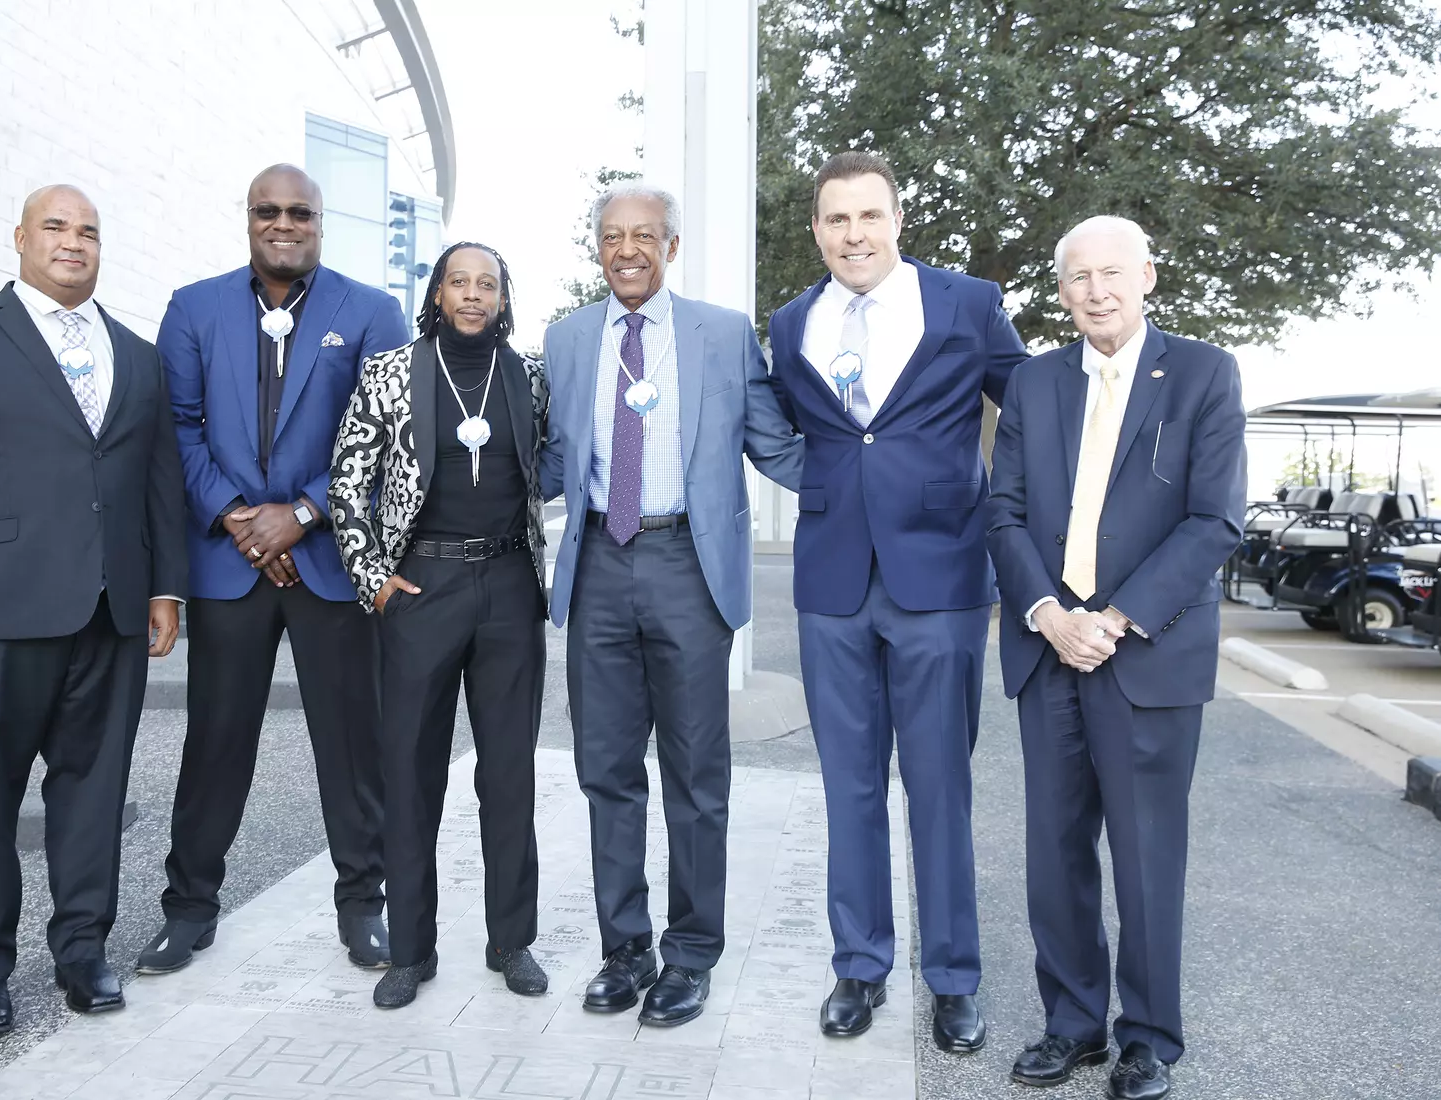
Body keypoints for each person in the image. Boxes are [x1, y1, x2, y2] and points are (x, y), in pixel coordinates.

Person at [0, 184, 187, 1037]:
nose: (73, 242)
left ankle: (82, 951)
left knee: (94, 792)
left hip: (112, 612)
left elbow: (157, 479)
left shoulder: (138, 354)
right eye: (56, 226)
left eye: (89, 230)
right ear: (20, 237)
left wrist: (165, 587)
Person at [764, 151, 1027, 1046]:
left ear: (897, 219)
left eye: (869, 216)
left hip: (943, 580)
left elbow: (1031, 415)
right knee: (849, 790)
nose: (854, 234)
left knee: (940, 788)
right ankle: (859, 967)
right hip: (832, 584)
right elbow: (803, 430)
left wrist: (1009, 521)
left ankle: (953, 977)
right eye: (837, 221)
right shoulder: (793, 319)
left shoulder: (968, 303)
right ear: (817, 231)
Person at [986, 216, 1246, 1100]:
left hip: (1149, 653)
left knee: (1145, 854)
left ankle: (1148, 1037)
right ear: (1060, 291)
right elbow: (1003, 512)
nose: (1096, 291)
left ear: (1147, 276)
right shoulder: (1033, 383)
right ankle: (1072, 1025)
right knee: (1055, 851)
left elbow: (1215, 520)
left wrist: (1118, 617)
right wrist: (1051, 614)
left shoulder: (1205, 373)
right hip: (1048, 645)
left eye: (1112, 274)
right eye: (1078, 278)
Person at [540, 183, 804, 1027]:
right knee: (607, 771)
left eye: (645, 236)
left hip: (688, 563)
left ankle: (691, 955)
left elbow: (776, 447)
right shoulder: (568, 337)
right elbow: (543, 461)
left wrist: (880, 474)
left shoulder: (723, 334)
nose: (627, 250)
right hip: (597, 564)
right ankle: (626, 950)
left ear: (672, 247)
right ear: (597, 248)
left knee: (696, 777)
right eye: (613, 236)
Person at [139, 164, 406, 976]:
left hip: (328, 562)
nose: (282, 223)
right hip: (229, 564)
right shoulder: (193, 309)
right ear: (248, 219)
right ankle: (188, 910)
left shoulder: (371, 311)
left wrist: (303, 515)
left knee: (352, 747)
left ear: (321, 223)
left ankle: (363, 906)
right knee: (215, 745)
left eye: (299, 212)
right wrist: (241, 521)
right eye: (267, 211)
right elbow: (177, 429)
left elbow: (385, 430)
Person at [329, 242, 550, 1009]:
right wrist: (373, 582)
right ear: (437, 292)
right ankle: (411, 951)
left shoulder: (528, 375)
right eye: (460, 281)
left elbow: (545, 465)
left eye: (488, 283)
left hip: (511, 584)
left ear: (501, 297)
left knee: (510, 772)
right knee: (410, 773)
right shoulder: (392, 371)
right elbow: (347, 480)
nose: (473, 294)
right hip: (421, 584)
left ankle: (510, 940)